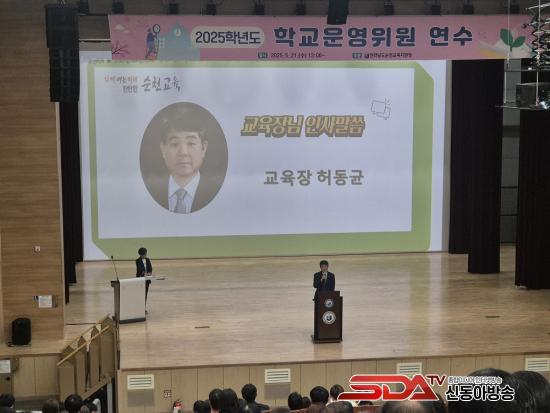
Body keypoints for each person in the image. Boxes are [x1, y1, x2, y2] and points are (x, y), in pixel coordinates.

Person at [147, 104, 221, 214]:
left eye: (191, 143)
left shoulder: (216, 190)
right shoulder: (151, 190)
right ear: (163, 149)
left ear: (203, 148)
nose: (183, 153)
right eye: (174, 144)